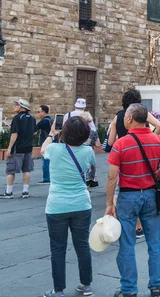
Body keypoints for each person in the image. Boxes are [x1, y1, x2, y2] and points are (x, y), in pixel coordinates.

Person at [106, 104, 160, 297]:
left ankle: (128, 290)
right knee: (155, 243)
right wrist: (155, 175)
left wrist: (109, 204)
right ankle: (157, 286)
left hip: (128, 196)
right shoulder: (157, 140)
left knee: (126, 244)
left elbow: (112, 176)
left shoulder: (121, 143)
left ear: (129, 119)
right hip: (151, 195)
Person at [40, 117, 96, 297]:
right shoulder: (88, 151)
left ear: (64, 132)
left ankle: (58, 290)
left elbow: (42, 150)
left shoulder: (54, 149)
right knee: (82, 246)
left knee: (57, 249)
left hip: (57, 205)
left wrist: (51, 134)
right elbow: (90, 170)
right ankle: (86, 285)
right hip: (81, 203)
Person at [1, 99, 36, 199]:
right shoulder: (32, 118)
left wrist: (9, 148)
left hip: (17, 148)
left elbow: (14, 134)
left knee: (11, 170)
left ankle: (9, 192)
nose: (14, 106)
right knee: (26, 170)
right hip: (28, 148)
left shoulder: (17, 118)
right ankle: (25, 191)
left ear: (21, 107)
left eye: (16, 105)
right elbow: (34, 132)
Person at [37, 104, 53, 184]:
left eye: (38, 112)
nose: (38, 113)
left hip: (45, 143)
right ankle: (52, 177)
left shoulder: (43, 121)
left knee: (45, 160)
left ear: (43, 112)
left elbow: (34, 129)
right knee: (52, 161)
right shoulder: (51, 119)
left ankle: (46, 179)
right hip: (53, 142)